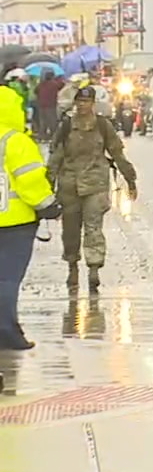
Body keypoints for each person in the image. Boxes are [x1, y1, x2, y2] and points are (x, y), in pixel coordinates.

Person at [49, 83, 138, 293]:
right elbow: (55, 156)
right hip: (69, 186)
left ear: (93, 103)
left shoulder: (102, 125)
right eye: (79, 102)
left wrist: (130, 179)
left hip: (95, 185)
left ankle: (93, 268)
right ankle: (72, 266)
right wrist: (48, 184)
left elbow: (117, 153)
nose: (83, 106)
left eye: (87, 102)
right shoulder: (66, 126)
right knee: (70, 231)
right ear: (75, 103)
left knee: (93, 228)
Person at [0, 86, 61, 350]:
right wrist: (49, 205)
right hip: (14, 225)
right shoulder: (15, 141)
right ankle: (7, 332)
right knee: (7, 279)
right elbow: (31, 180)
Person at [34, 70, 64, 141]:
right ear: (52, 76)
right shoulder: (54, 84)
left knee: (42, 122)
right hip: (51, 105)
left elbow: (35, 91)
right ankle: (53, 136)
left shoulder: (41, 84)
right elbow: (62, 86)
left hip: (41, 105)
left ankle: (42, 136)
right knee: (52, 121)